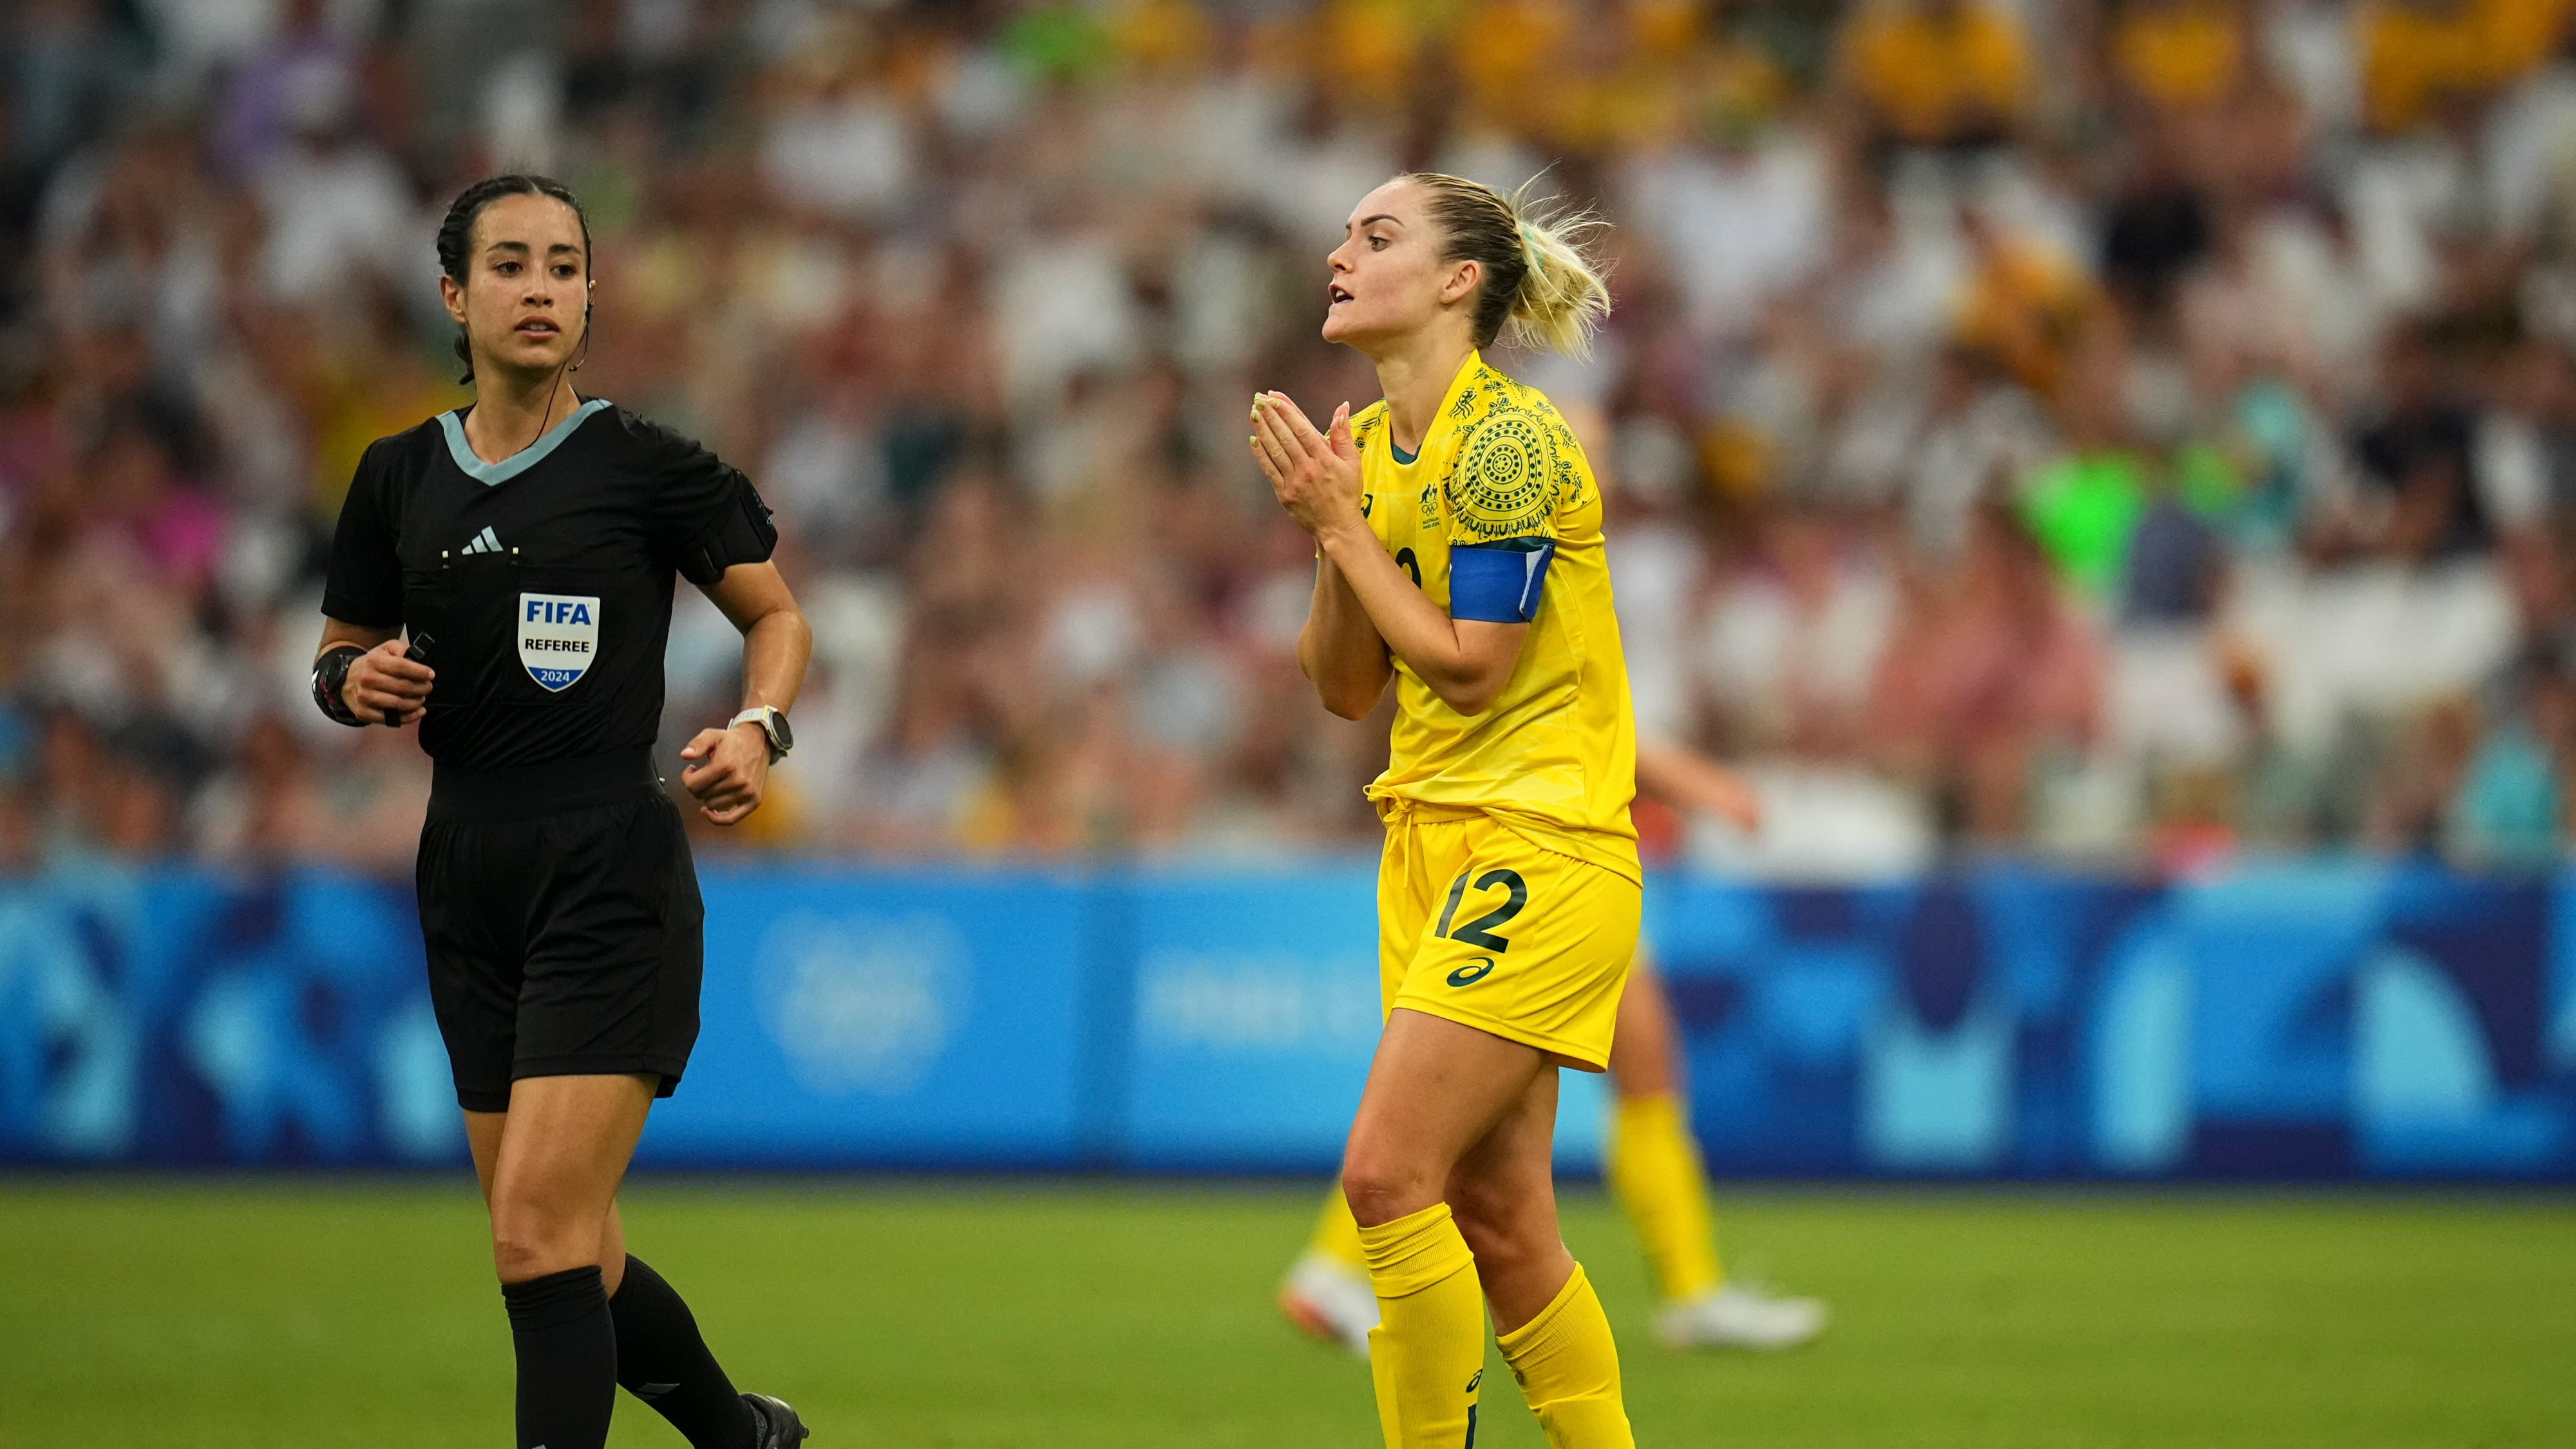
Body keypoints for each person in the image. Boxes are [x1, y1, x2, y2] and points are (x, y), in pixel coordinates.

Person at [311, 174, 814, 1449]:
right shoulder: (394, 477)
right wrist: (348, 681)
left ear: (590, 296)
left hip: (607, 870)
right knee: (567, 1249)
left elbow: (778, 616)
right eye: (511, 265)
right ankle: (740, 1436)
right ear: (453, 296)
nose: (540, 288)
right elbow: (338, 651)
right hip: (464, 871)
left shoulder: (647, 468)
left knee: (533, 1234)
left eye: (563, 266)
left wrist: (758, 729)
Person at [1248, 169, 1636, 1449]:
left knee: (1382, 1177)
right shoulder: (1370, 446)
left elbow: (1473, 668)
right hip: (1429, 836)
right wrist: (1333, 528)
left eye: (1374, 235)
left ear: (1457, 280)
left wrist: (1340, 532)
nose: (1336, 252)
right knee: (1503, 1221)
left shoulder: (1512, 440)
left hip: (1541, 841)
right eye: (1342, 232)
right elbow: (1347, 685)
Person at [1281, 740, 1830, 1355]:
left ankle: (1692, 1289)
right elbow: (1585, 718)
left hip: (1553, 850)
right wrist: (1704, 787)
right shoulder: (1524, 648)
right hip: (1539, 860)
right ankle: (1333, 1268)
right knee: (1471, 1092)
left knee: (1640, 1070)